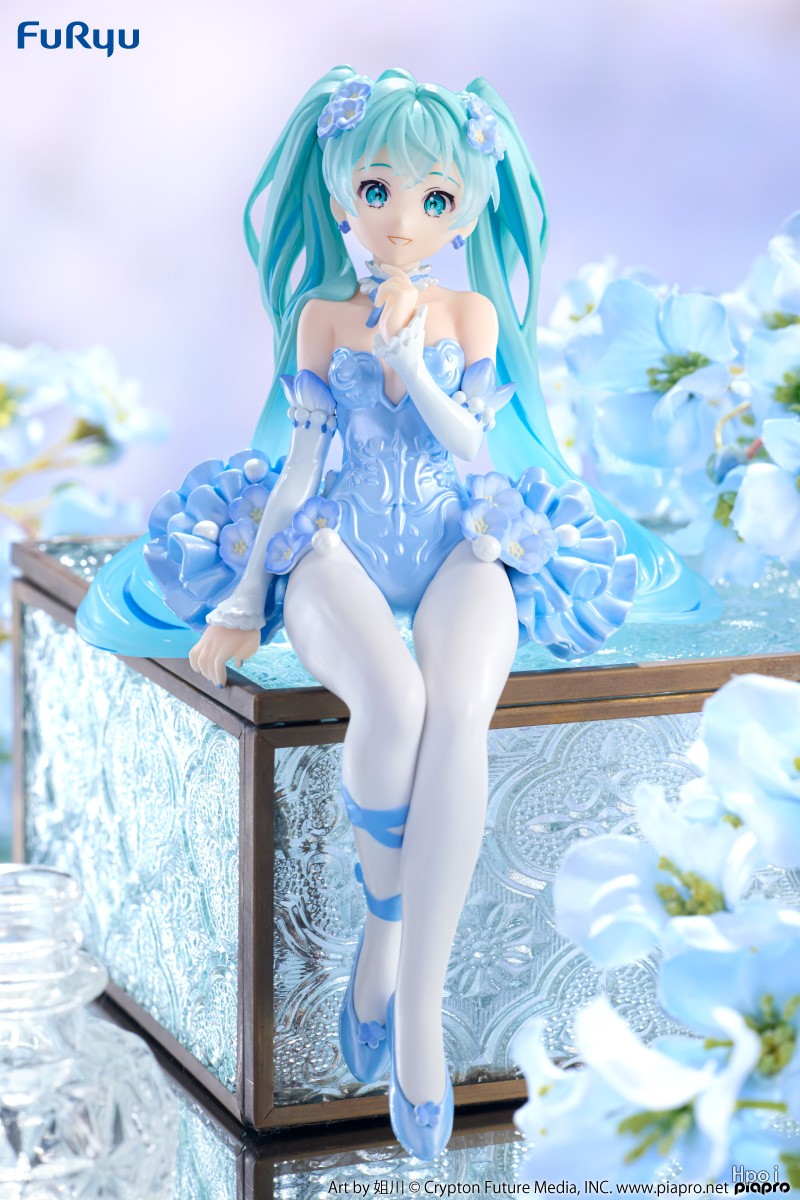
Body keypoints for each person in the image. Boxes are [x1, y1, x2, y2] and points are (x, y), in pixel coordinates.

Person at [77, 67, 721, 1159]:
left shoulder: (468, 314)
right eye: (378, 190)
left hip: (460, 541)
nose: (403, 220)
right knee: (395, 701)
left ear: (463, 213)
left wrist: (414, 365)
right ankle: (382, 928)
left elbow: (474, 448)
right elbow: (301, 467)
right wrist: (244, 594)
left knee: (459, 713)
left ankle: (416, 1006)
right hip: (341, 549)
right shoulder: (320, 317)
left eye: (435, 199)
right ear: (342, 195)